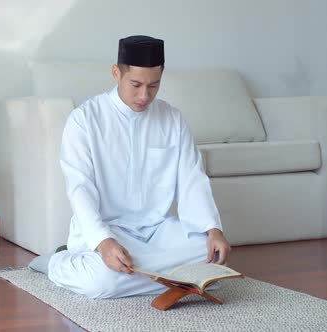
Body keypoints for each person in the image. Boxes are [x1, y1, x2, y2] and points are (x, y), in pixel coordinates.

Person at [32, 35, 231, 299]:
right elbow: (80, 188)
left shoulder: (172, 118)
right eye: (135, 84)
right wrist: (102, 242)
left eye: (154, 86)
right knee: (103, 283)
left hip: (156, 231)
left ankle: (149, 274)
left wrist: (212, 229)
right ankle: (58, 263)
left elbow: (191, 179)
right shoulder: (84, 120)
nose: (144, 95)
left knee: (211, 258)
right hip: (108, 231)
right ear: (116, 73)